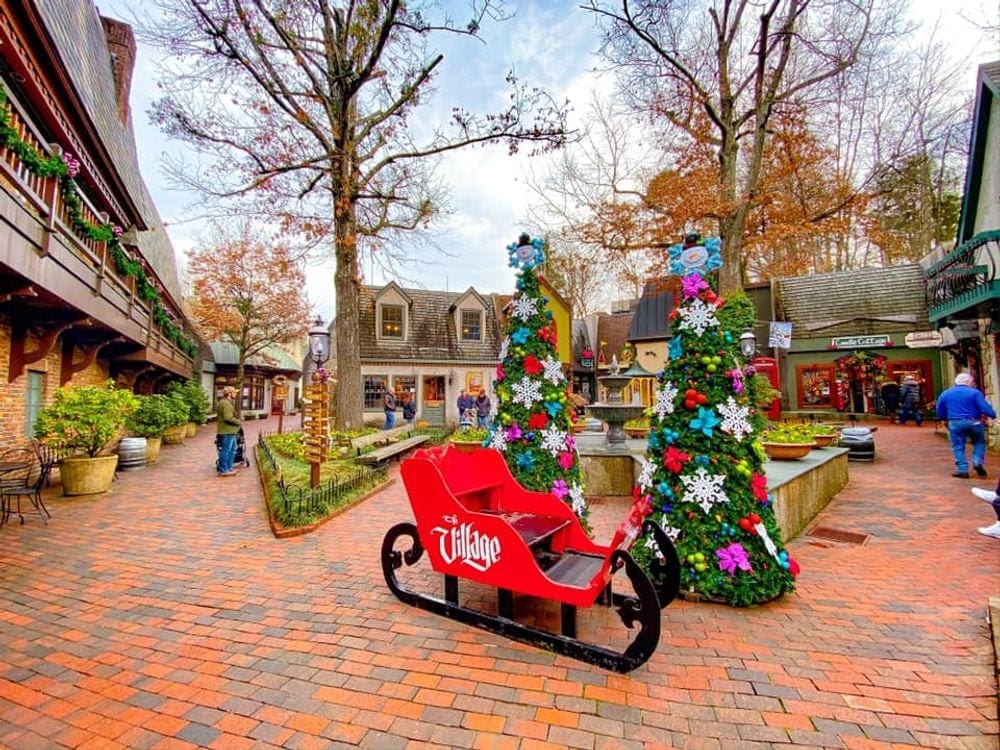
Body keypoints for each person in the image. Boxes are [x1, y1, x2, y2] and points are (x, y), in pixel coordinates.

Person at [935, 373, 996, 478]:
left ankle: (962, 469)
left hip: (955, 422)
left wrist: (943, 418)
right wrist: (993, 415)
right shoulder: (975, 393)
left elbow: (940, 409)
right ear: (969, 382)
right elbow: (985, 407)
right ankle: (977, 462)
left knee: (958, 446)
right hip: (974, 421)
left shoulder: (946, 393)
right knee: (979, 442)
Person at [216, 385, 241, 477]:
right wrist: (238, 422)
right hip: (227, 431)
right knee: (226, 451)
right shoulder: (225, 403)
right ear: (229, 393)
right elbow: (228, 418)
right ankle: (223, 469)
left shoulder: (226, 402)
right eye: (234, 392)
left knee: (232, 449)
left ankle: (229, 467)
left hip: (230, 431)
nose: (235, 394)